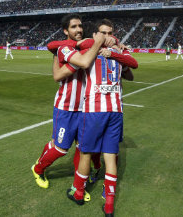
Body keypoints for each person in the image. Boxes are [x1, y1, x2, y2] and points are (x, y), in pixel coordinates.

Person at [66, 19, 138, 217]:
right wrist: (115, 45)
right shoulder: (108, 49)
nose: (107, 36)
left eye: (110, 32)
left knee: (87, 153)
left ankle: (78, 192)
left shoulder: (101, 51)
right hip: (114, 111)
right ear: (97, 34)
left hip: (96, 111)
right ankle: (109, 204)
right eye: (103, 33)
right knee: (110, 156)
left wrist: (113, 47)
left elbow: (133, 65)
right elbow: (130, 64)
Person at [31, 14, 105, 202]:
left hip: (86, 108)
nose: (78, 30)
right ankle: (38, 169)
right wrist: (97, 43)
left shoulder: (85, 46)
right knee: (61, 148)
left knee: (83, 149)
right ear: (66, 31)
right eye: (73, 27)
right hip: (66, 108)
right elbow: (83, 62)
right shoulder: (64, 48)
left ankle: (78, 185)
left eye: (80, 26)